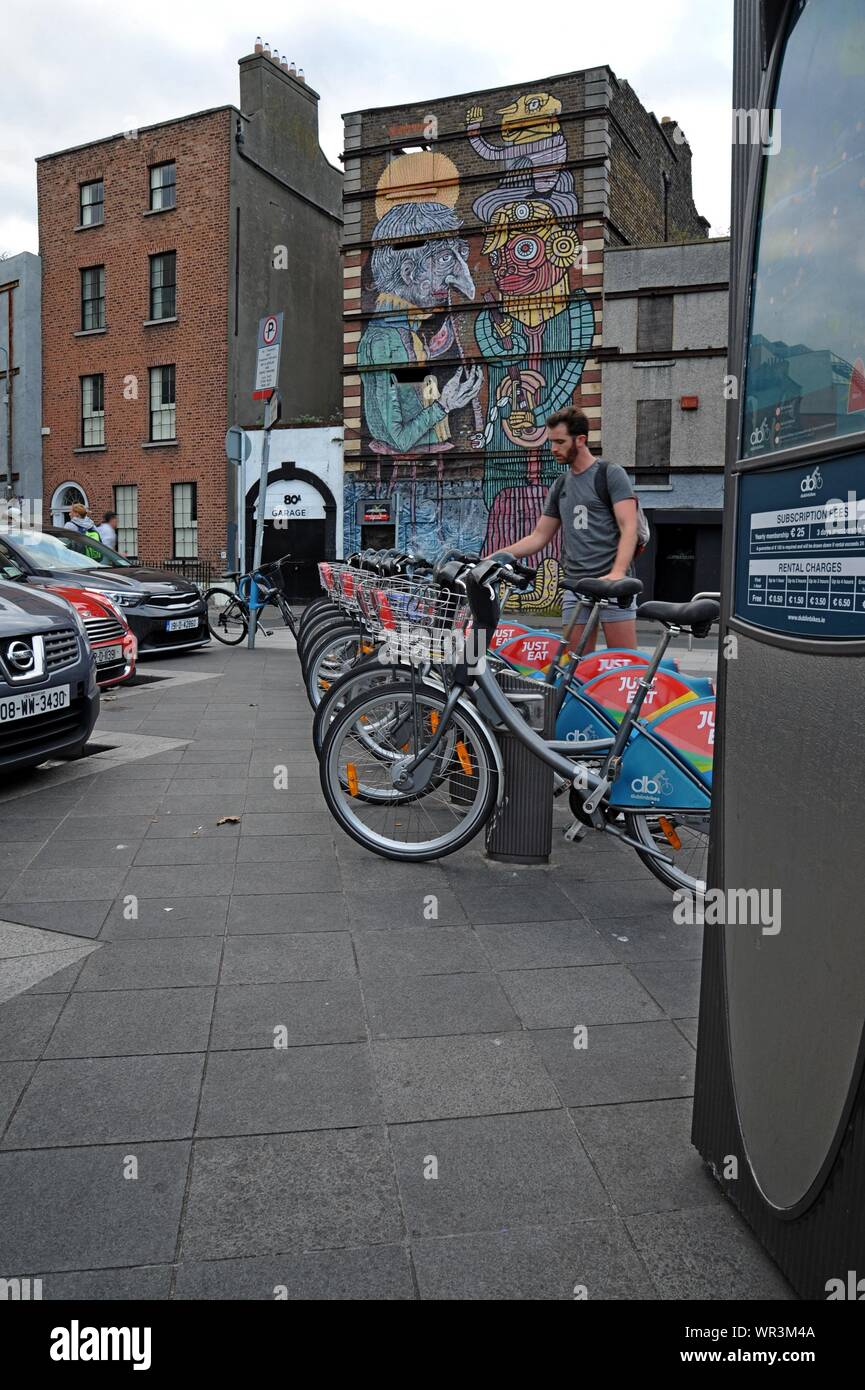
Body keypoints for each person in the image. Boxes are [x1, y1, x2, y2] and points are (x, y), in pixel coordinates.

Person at [503, 407, 639, 652]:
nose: (553, 449)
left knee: (624, 664)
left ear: (581, 440)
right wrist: (497, 557)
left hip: (612, 585)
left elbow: (629, 526)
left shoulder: (610, 474)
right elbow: (539, 536)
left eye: (559, 442)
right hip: (575, 587)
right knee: (573, 670)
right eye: (551, 442)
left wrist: (618, 573)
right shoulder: (561, 485)